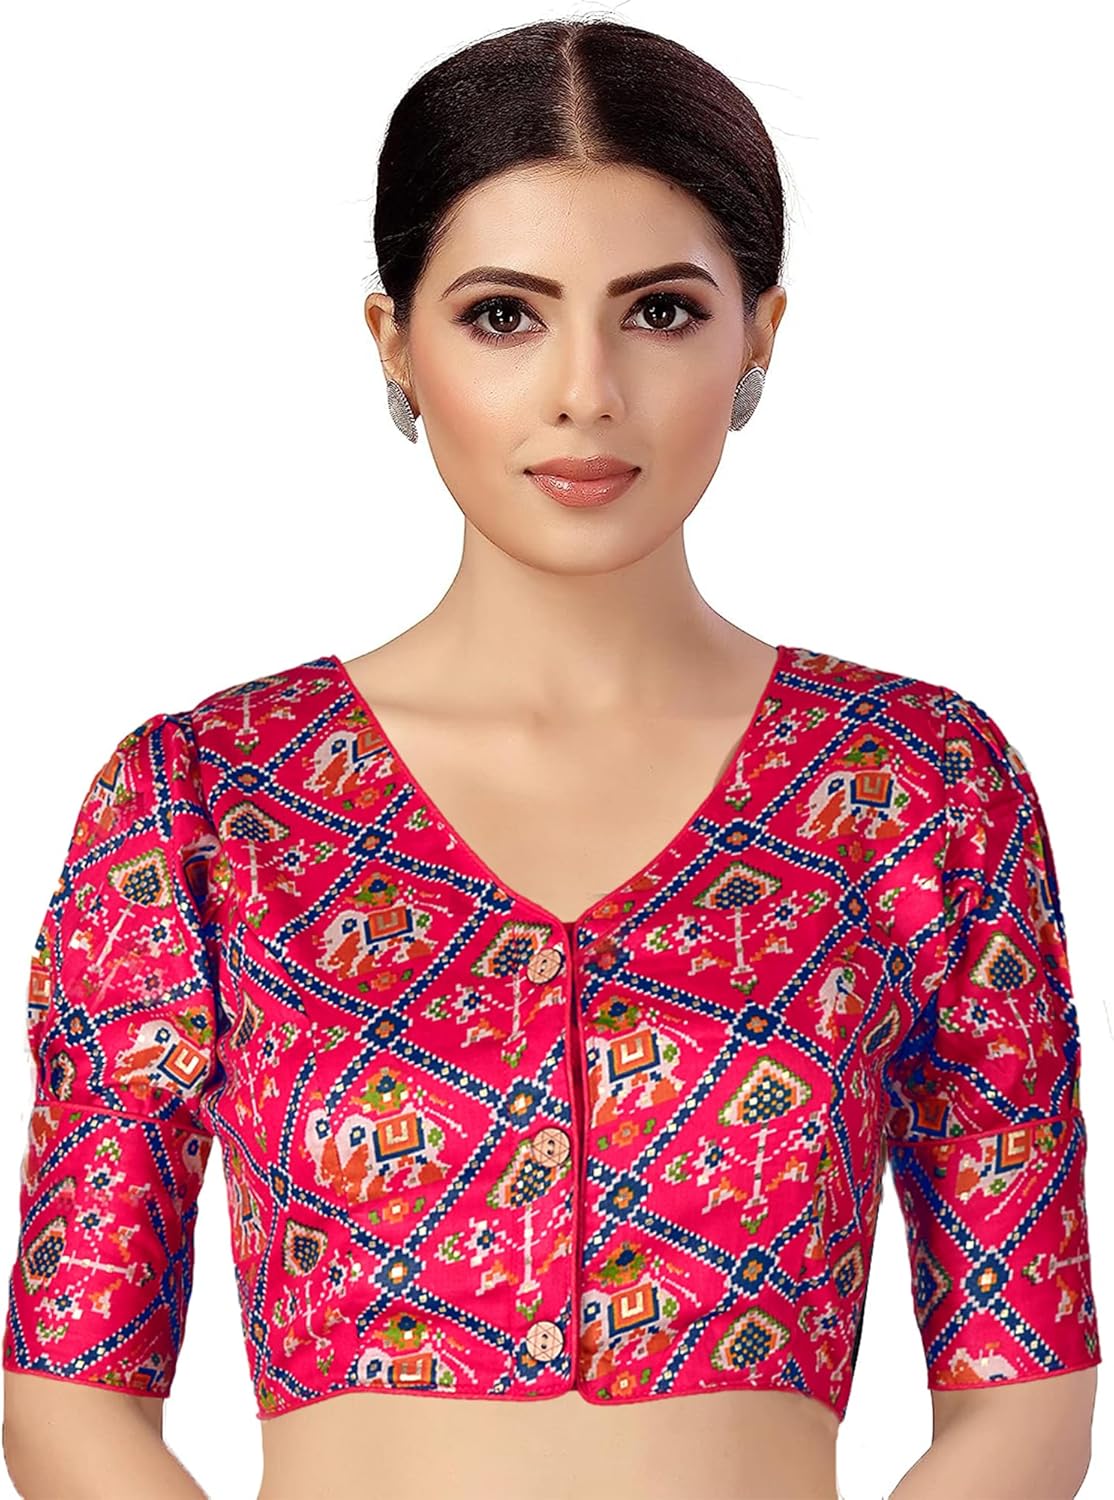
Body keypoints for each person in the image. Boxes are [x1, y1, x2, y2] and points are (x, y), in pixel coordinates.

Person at [2, 16, 1101, 1500]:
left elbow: (1026, 1390)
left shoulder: (917, 789)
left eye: (661, 312)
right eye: (504, 316)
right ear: (395, 342)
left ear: (758, 333)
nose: (586, 390)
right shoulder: (206, 798)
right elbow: (67, 1393)